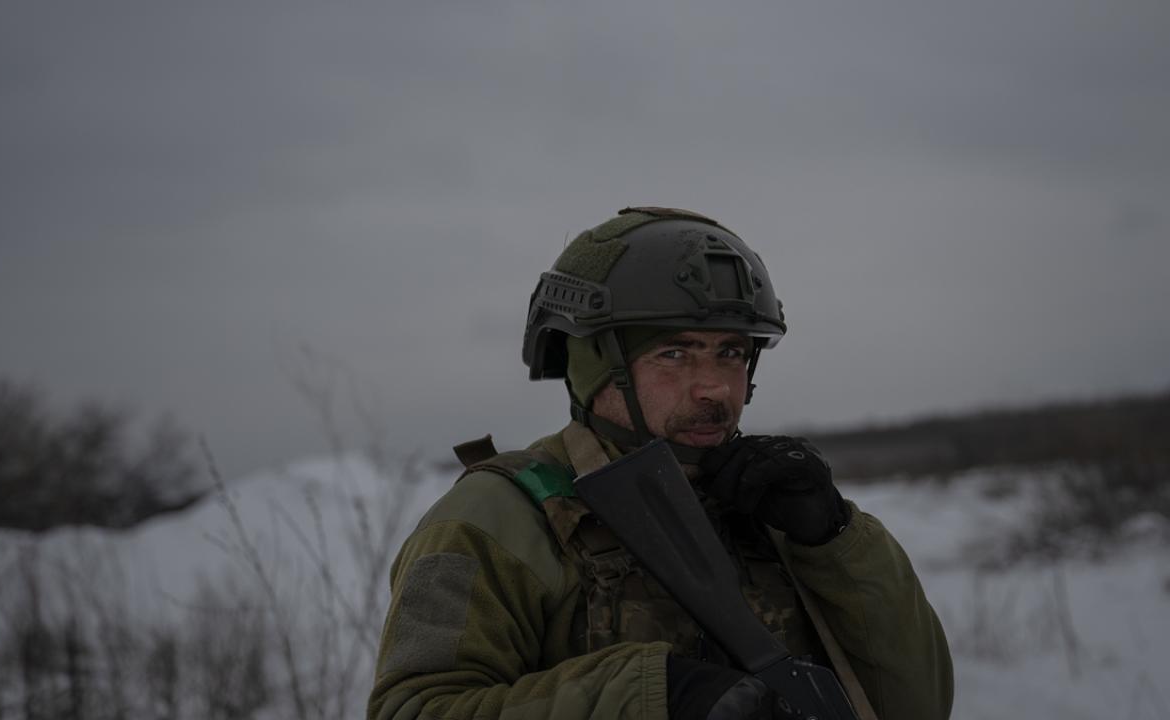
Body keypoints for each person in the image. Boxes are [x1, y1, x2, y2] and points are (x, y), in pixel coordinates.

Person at [368, 207, 954, 720]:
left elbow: (917, 706)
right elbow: (415, 710)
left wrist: (836, 542)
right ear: (596, 364)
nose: (714, 389)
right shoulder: (498, 518)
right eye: (675, 353)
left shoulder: (772, 507)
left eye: (731, 353)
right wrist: (653, 698)